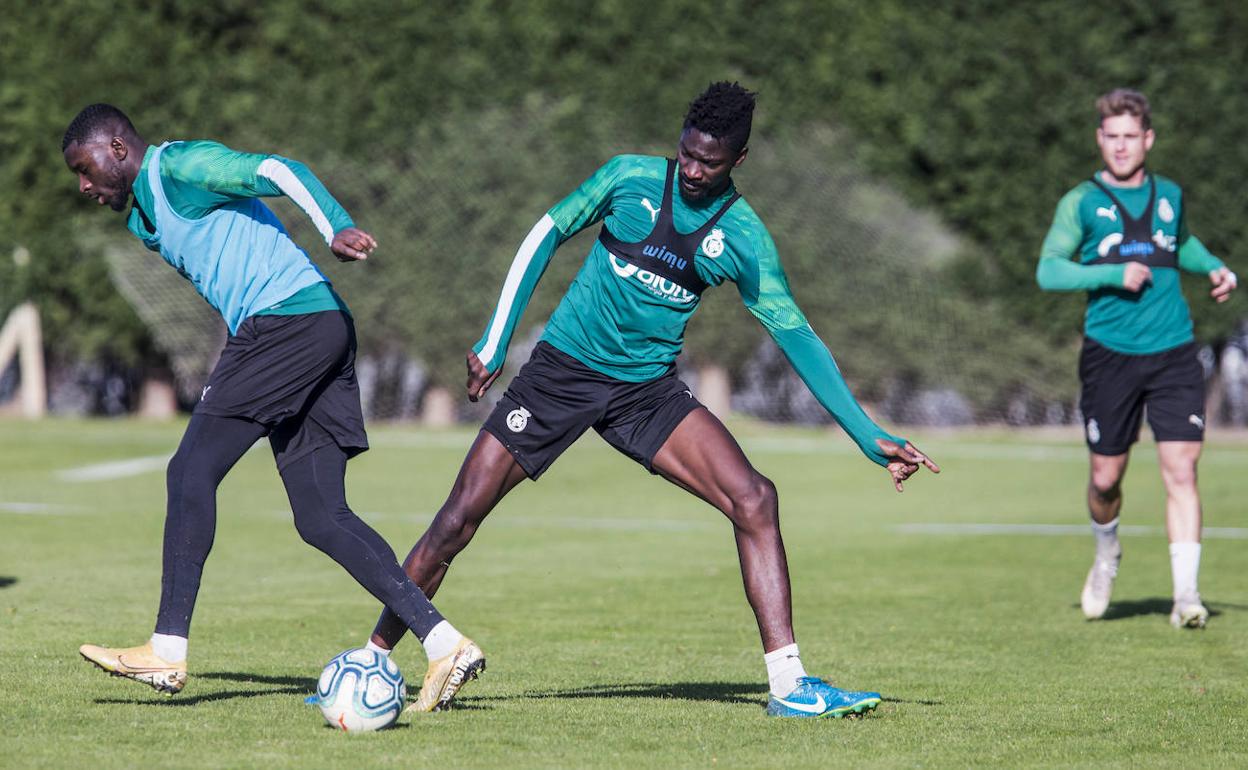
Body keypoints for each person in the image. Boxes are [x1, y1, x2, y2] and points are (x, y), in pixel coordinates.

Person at [362, 82, 939, 719]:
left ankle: (789, 687)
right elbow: (544, 235)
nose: (693, 170)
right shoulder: (628, 177)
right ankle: (372, 660)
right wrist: (496, 341)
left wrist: (864, 432)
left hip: (646, 392)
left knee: (755, 498)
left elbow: (795, 333)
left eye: (710, 163)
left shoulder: (743, 236)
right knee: (458, 519)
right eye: (687, 154)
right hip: (561, 374)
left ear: (738, 162)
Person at [62, 104, 483, 710]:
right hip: (316, 327)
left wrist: (334, 225)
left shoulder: (178, 166)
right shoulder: (144, 221)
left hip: (287, 323)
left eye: (85, 167)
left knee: (189, 470)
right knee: (320, 516)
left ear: (118, 149)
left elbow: (277, 170)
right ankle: (445, 643)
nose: (83, 185)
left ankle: (167, 649)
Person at [1036, 88, 1237, 628]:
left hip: (1173, 351)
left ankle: (1187, 597)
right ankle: (1107, 552)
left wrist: (1213, 266)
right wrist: (1110, 273)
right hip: (1110, 357)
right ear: (1100, 139)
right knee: (1105, 479)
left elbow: (1181, 244)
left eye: (1131, 136)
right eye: (1112, 137)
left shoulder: (1169, 193)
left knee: (1181, 468)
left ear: (1147, 139)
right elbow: (1049, 270)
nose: (1121, 147)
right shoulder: (1079, 201)